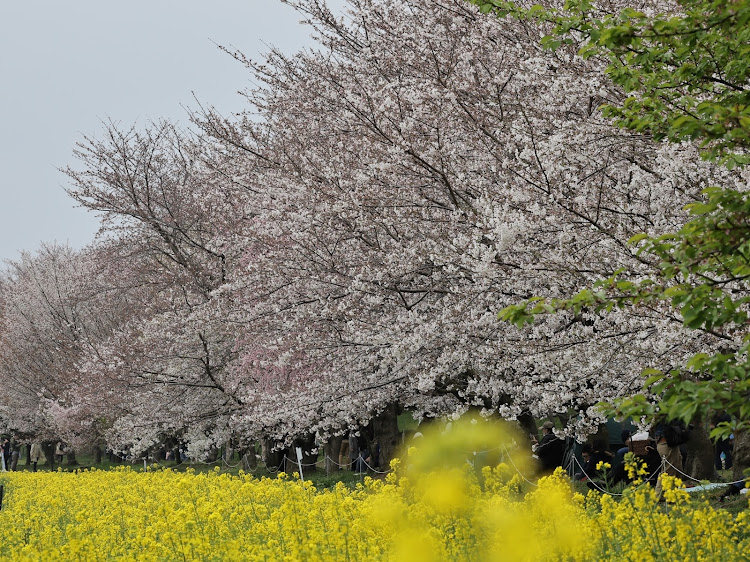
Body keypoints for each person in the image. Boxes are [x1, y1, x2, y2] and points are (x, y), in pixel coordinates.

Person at [651, 417, 685, 499]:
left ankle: (673, 493)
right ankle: (662, 495)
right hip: (666, 442)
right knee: (668, 471)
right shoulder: (661, 411)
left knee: (677, 468)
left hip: (671, 443)